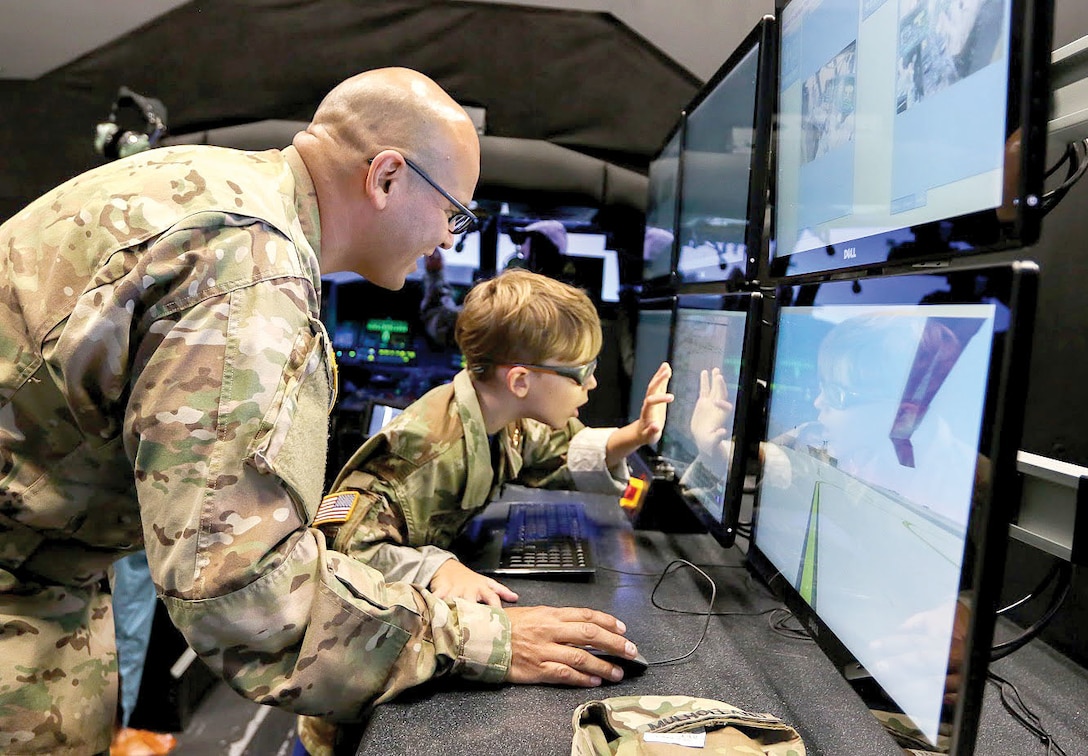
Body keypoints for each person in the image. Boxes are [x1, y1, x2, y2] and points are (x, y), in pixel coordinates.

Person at [0, 67, 640, 756]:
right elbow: (246, 599)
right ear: (388, 177)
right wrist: (480, 637)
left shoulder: (215, 184)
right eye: (453, 211)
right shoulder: (249, 275)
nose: (450, 239)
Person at [298, 268, 673, 753]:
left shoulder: (499, 417)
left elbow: (552, 450)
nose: (594, 384)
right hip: (357, 678)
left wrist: (635, 436)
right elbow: (337, 552)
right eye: (582, 372)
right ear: (521, 380)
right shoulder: (427, 451)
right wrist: (437, 565)